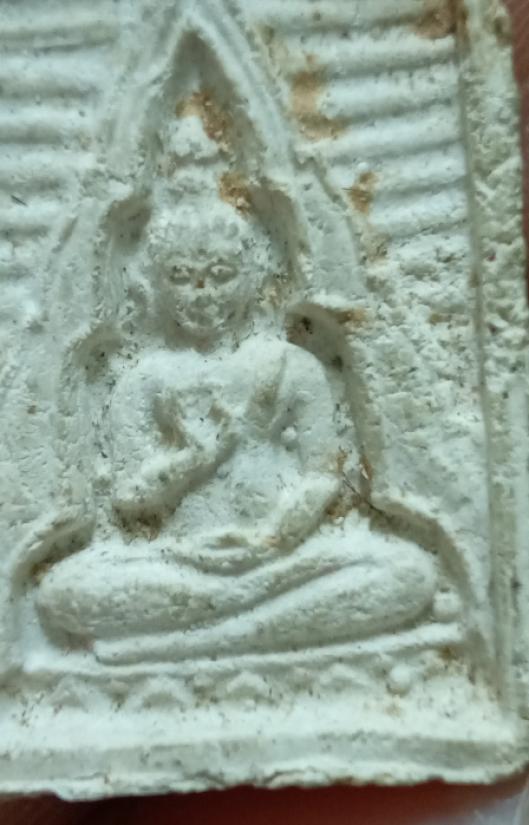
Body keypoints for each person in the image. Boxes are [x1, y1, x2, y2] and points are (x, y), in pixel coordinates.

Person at [36, 190, 436, 659]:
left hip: (281, 559)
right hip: (180, 563)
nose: (203, 294)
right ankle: (267, 628)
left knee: (408, 573)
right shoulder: (143, 380)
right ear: (154, 285)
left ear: (253, 276)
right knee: (63, 592)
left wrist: (281, 532)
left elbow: (322, 474)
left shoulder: (292, 364)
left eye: (222, 275)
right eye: (181, 277)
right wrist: (191, 461)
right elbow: (129, 498)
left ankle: (193, 639)